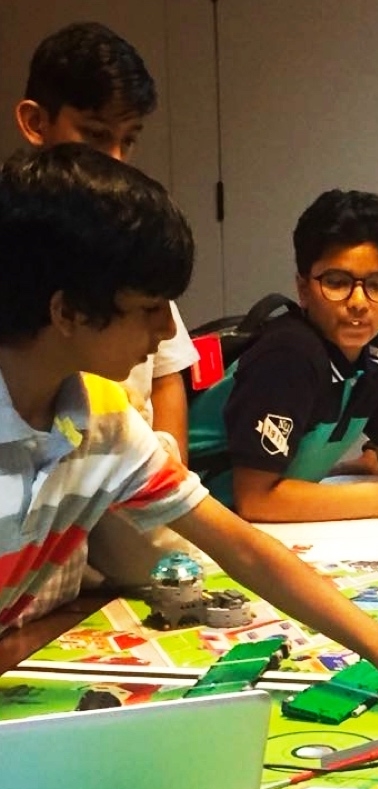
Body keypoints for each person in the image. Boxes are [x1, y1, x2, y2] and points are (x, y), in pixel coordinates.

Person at [0, 144, 378, 727]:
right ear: (68, 313)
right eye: (151, 307)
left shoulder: (102, 420)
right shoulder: (280, 355)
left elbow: (243, 548)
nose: (167, 332)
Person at [187, 190, 378, 522]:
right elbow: (257, 499)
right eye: (337, 282)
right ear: (303, 289)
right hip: (199, 523)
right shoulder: (287, 355)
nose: (359, 302)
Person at [14, 21, 200, 463]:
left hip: (129, 488)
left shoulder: (129, 230)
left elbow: (166, 372)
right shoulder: (15, 241)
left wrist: (170, 468)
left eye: (128, 140)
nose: (114, 158)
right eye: (95, 134)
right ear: (36, 122)